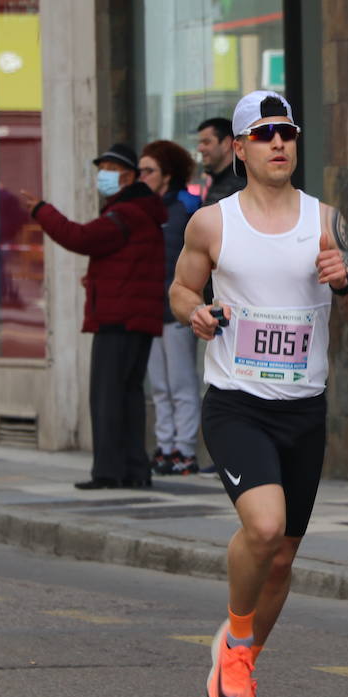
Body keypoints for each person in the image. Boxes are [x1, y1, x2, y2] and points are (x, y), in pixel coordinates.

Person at [170, 90, 348, 697]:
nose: (278, 142)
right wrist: (194, 312)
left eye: (286, 131)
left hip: (303, 410)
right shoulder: (212, 223)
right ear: (240, 148)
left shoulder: (325, 222)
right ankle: (235, 644)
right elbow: (180, 288)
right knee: (265, 528)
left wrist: (344, 282)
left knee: (283, 559)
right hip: (236, 403)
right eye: (263, 134)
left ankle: (238, 678)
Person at [21, 144, 166, 490]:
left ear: (128, 176)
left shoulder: (125, 213)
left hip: (119, 318)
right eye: (100, 168)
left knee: (107, 396)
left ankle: (108, 472)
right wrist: (98, 279)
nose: (101, 175)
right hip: (134, 316)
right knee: (128, 396)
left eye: (109, 168)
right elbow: (127, 263)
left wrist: (42, 211)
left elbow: (81, 237)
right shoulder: (140, 212)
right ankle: (134, 469)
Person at [139, 140, 202, 476]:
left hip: (178, 309)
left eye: (149, 170)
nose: (142, 176)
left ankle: (185, 450)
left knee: (181, 384)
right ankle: (164, 447)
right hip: (150, 309)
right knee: (160, 386)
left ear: (167, 173)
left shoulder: (187, 205)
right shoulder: (146, 207)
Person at [198, 117, 244, 207]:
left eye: (206, 142)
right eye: (200, 143)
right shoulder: (218, 180)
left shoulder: (240, 186)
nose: (200, 148)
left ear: (226, 143)